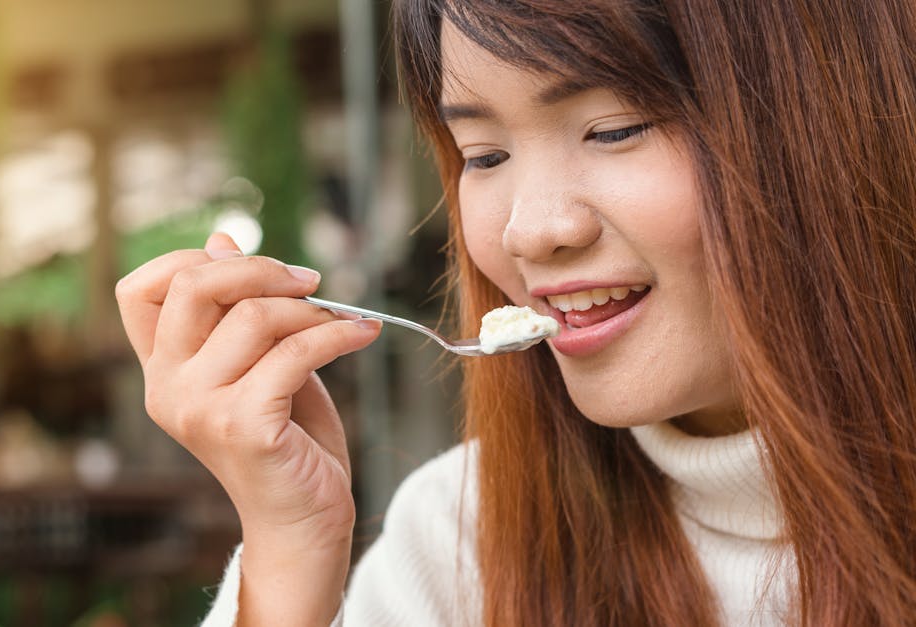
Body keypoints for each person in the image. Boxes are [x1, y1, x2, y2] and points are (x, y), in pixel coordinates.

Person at [115, 0, 916, 624]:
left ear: (832, 123)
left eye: (614, 129)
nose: (528, 230)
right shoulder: (463, 539)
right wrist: (289, 565)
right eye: (484, 157)